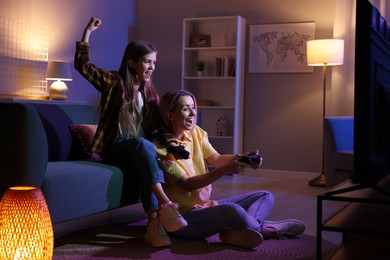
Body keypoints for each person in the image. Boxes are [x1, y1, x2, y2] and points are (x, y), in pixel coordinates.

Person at [74, 17, 187, 248]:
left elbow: (155, 128)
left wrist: (172, 144)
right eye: (147, 61)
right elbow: (82, 67)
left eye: (154, 62)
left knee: (146, 153)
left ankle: (153, 224)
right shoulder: (113, 82)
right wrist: (87, 32)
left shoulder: (149, 92)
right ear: (132, 62)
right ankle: (166, 205)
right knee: (142, 146)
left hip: (138, 149)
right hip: (115, 147)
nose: (152, 67)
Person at [154, 90, 305, 249]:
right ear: (170, 115)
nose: (193, 113)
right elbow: (188, 184)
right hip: (184, 219)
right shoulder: (161, 147)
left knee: (265, 196)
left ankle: (238, 232)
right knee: (232, 211)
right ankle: (268, 230)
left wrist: (241, 158)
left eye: (194, 107)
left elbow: (217, 159)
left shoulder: (196, 133)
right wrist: (224, 171)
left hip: (205, 206)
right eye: (186, 109)